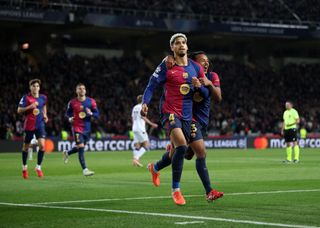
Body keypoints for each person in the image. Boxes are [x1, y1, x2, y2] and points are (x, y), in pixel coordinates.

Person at [148, 51, 224, 202]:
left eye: (207, 60)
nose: (206, 63)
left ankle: (155, 167)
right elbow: (175, 62)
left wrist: (207, 84)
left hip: (202, 122)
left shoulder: (212, 76)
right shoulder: (188, 73)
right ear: (194, 64)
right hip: (188, 119)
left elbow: (218, 98)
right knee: (200, 152)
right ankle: (209, 191)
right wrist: (169, 58)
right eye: (202, 61)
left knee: (183, 154)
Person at [141, 33, 206, 205]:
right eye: (177, 43)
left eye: (183, 42)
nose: (181, 45)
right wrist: (144, 103)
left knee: (174, 154)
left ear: (187, 46)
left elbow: (204, 95)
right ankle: (176, 190)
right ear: (172, 48)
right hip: (169, 112)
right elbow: (151, 85)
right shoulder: (167, 65)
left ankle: (154, 168)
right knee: (182, 146)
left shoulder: (196, 68)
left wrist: (200, 88)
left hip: (187, 116)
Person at [63, 83, 99, 176]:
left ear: (85, 91)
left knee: (80, 148)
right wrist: (69, 118)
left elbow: (97, 115)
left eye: (83, 88)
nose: (82, 90)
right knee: (81, 147)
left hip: (87, 129)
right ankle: (85, 170)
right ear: (76, 91)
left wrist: (91, 113)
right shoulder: (72, 102)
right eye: (80, 88)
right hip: (76, 128)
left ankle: (68, 152)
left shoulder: (91, 101)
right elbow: (67, 114)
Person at [17, 78, 48, 179]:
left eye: (37, 86)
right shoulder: (26, 98)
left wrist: (45, 115)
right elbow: (19, 110)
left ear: (39, 88)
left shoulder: (43, 97)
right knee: (26, 147)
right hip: (29, 125)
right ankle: (24, 168)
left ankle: (38, 167)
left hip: (40, 125)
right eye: (33, 86)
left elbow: (44, 106)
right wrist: (30, 106)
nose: (35, 88)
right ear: (30, 87)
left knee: (42, 146)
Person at [131, 95, 158, 167]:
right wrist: (152, 124)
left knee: (138, 145)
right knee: (146, 144)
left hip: (134, 128)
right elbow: (143, 117)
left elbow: (133, 119)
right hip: (140, 128)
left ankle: (135, 161)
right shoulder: (142, 107)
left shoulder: (134, 107)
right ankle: (136, 158)